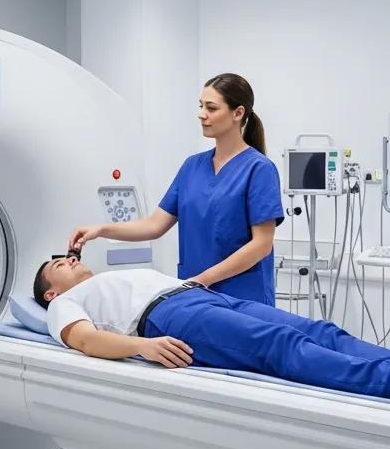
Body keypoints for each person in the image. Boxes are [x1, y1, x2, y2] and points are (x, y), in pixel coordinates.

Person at [32, 256, 390, 403]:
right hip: (167, 317)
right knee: (281, 347)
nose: (70, 261)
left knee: (321, 330)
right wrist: (144, 346)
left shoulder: (113, 274)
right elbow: (85, 340)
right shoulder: (66, 304)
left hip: (199, 296)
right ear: (50, 293)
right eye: (58, 264)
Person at [68, 74, 285, 305]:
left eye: (211, 108)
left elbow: (261, 244)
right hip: (195, 293)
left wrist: (202, 280)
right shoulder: (192, 166)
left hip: (242, 296)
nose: (202, 114)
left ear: (238, 113)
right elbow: (154, 225)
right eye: (201, 106)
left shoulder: (259, 169)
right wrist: (100, 230)